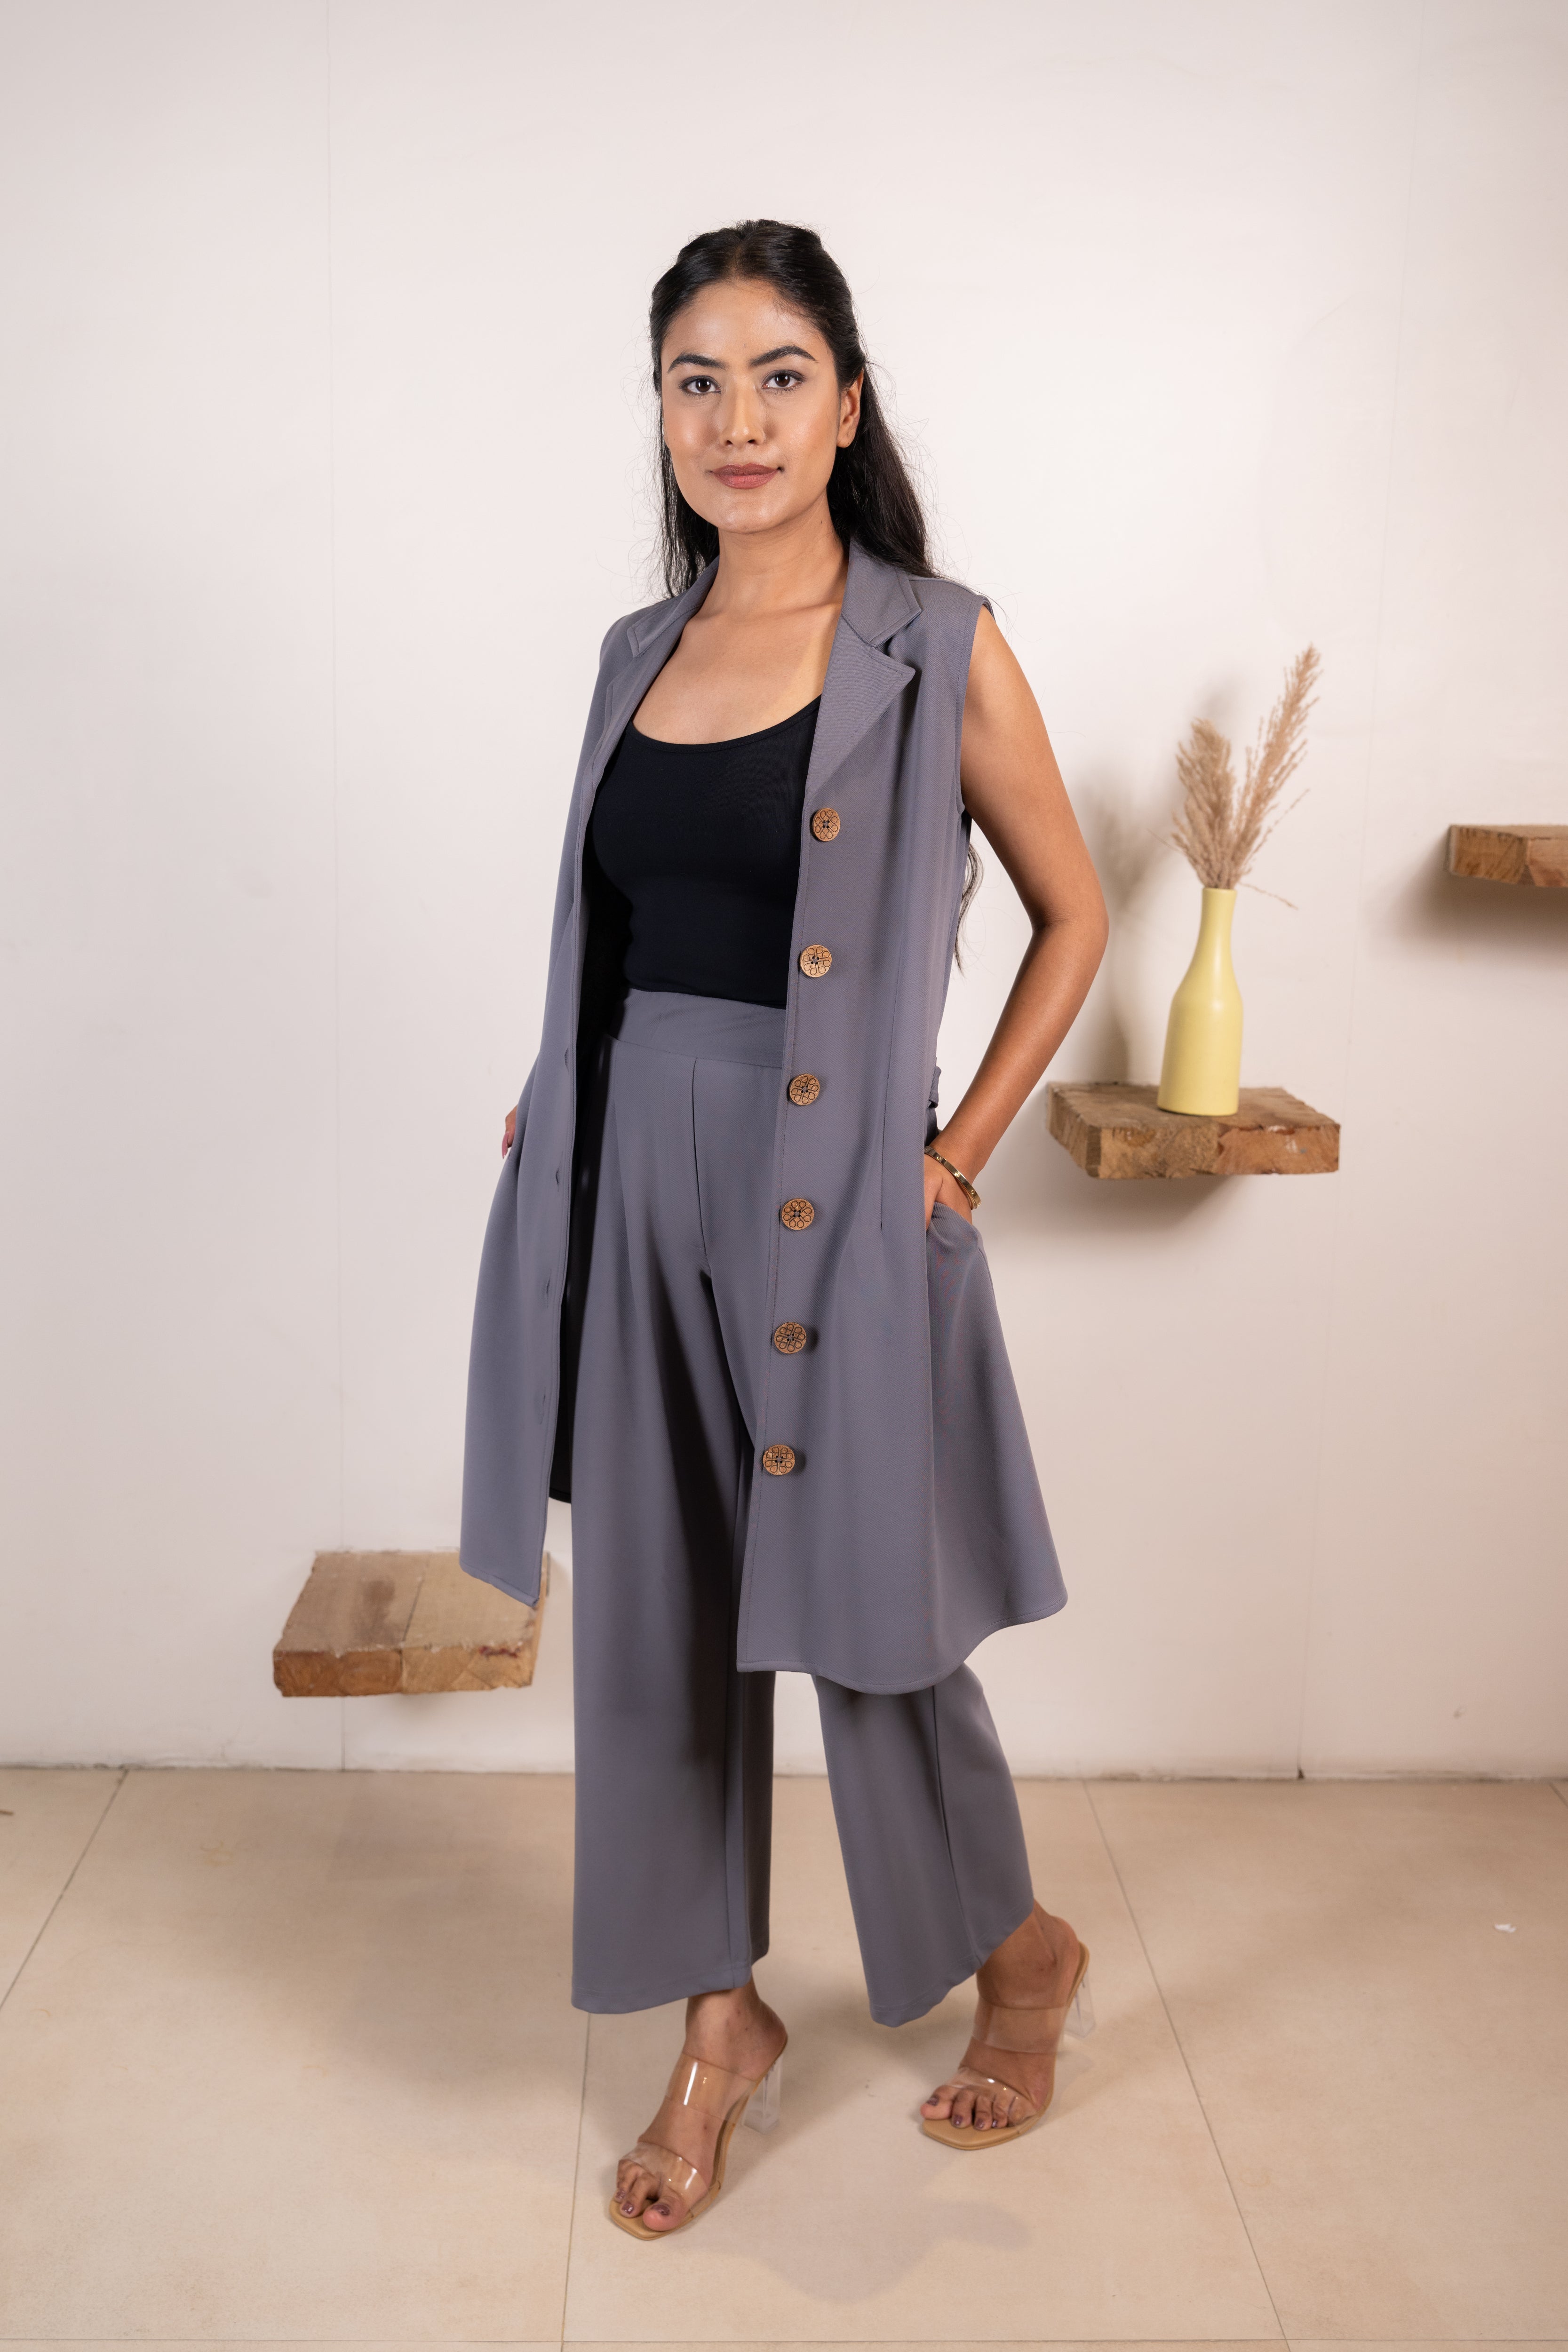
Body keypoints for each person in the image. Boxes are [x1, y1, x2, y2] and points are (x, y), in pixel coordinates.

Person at [461, 220, 1108, 2239]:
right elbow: (619, 928)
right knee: (654, 1624)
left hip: (836, 1198)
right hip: (627, 1180)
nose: (735, 419)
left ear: (845, 405)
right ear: (661, 414)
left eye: (777, 375)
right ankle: (716, 2019)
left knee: (873, 1616)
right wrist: (563, 1093)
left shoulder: (936, 642)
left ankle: (1020, 1955)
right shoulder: (630, 653)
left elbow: (1074, 910)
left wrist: (958, 1154)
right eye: (696, 380)